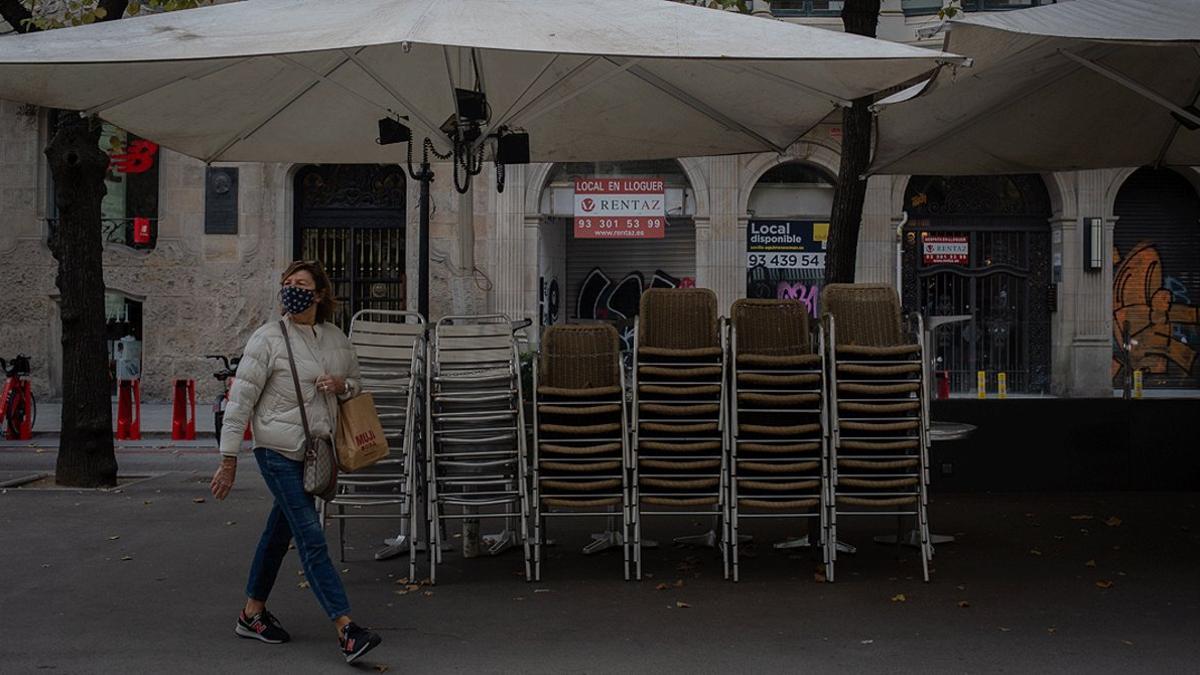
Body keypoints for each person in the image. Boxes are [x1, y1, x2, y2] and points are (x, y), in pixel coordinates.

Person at [209, 260, 382, 664]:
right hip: (277, 450)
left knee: (278, 533)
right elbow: (241, 401)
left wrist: (342, 385)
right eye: (287, 283)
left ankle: (251, 614)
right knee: (310, 535)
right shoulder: (267, 339)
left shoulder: (336, 339)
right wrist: (228, 458)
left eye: (301, 284)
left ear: (319, 294)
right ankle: (347, 630)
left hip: (315, 453)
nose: (292, 289)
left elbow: (357, 384)